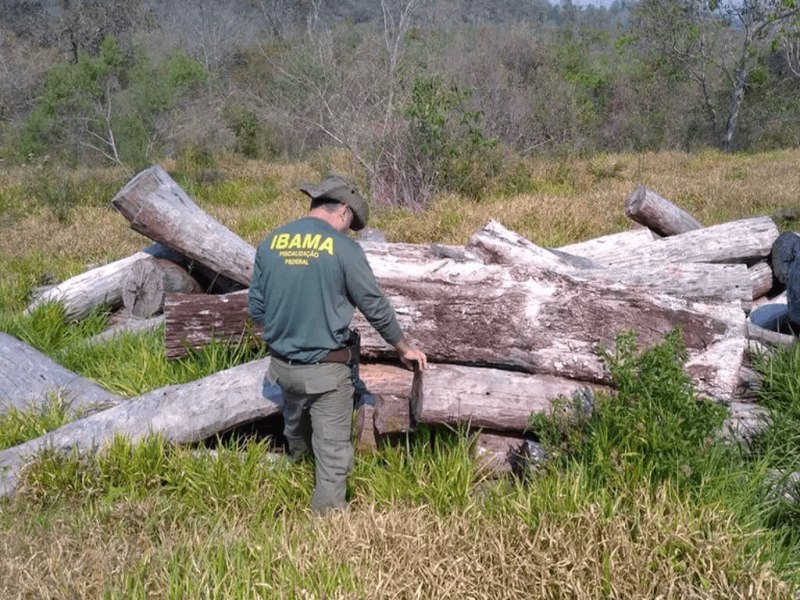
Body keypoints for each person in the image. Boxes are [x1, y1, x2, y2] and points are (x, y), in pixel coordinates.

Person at [248, 174, 427, 514]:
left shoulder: (270, 242)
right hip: (328, 373)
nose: (349, 229)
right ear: (343, 211)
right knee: (332, 460)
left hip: (282, 369)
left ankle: (289, 494)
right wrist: (403, 348)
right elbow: (374, 305)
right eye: (351, 223)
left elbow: (257, 309)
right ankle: (325, 542)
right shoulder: (344, 249)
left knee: (297, 439)